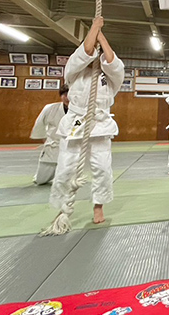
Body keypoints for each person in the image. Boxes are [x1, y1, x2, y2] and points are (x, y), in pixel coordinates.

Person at [49, 17, 124, 224]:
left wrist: (101, 34)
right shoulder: (73, 73)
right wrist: (94, 28)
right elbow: (86, 50)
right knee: (65, 167)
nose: (93, 55)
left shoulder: (110, 79)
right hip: (76, 121)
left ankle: (98, 205)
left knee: (101, 168)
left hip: (100, 123)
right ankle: (63, 207)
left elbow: (112, 62)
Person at [29, 85, 69, 185]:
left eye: (69, 94)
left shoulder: (80, 111)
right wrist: (44, 139)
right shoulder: (50, 108)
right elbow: (39, 124)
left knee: (66, 179)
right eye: (64, 94)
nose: (67, 97)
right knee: (40, 180)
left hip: (71, 145)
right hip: (53, 144)